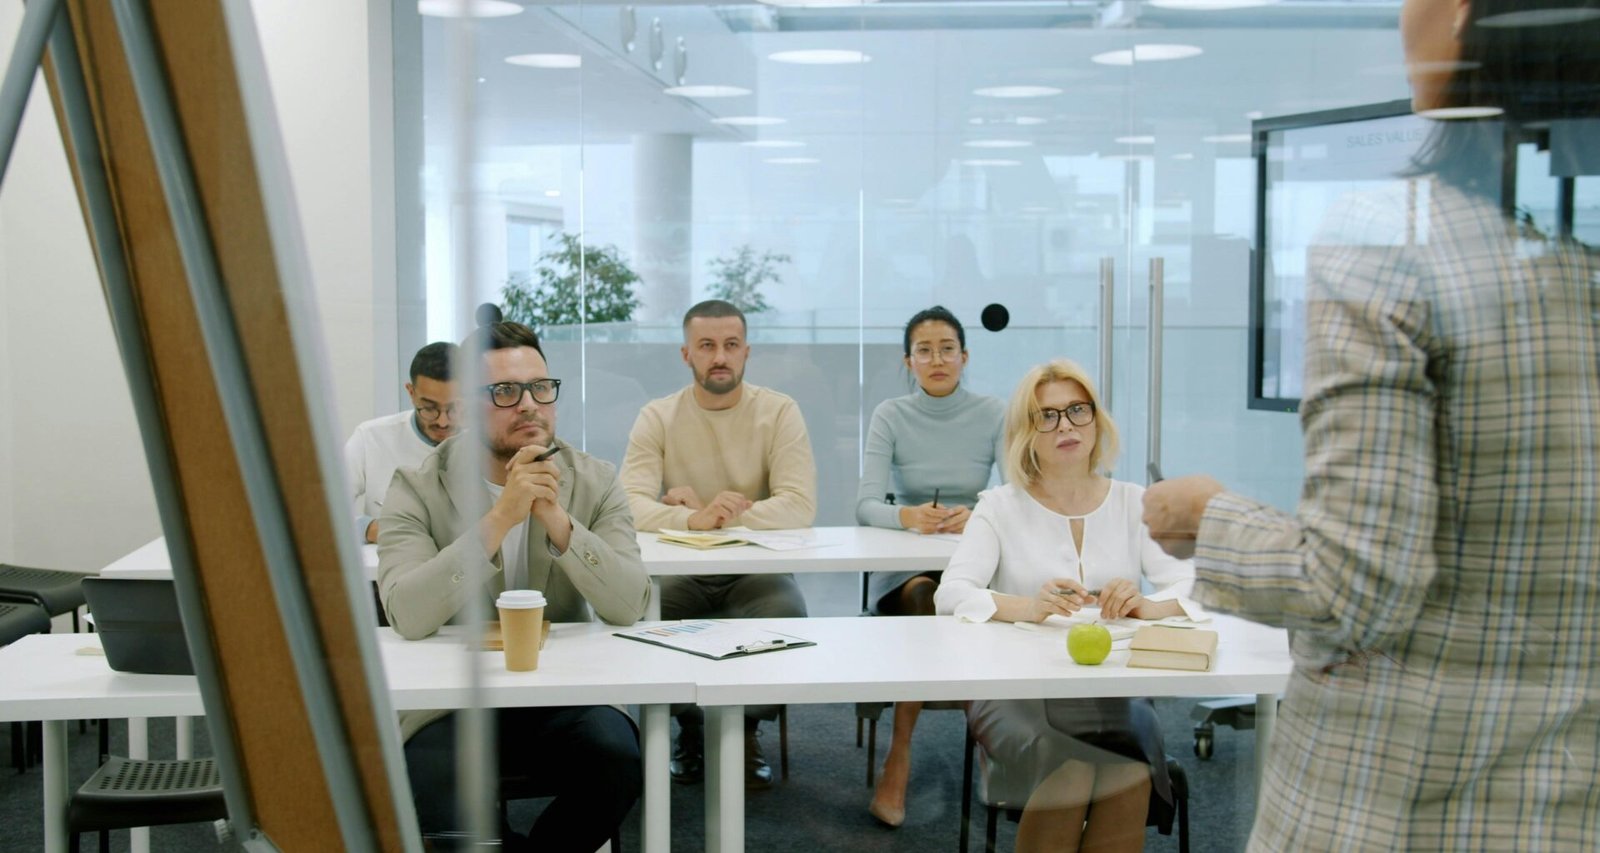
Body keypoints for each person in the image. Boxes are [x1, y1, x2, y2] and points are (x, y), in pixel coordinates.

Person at [1142, 2, 1600, 849]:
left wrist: (1209, 518)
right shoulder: (1576, 264)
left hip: (1396, 801)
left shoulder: (1391, 243)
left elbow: (1354, 587)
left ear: (1460, 17)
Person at [378, 322, 650, 852]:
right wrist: (500, 517)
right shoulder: (414, 486)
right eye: (504, 392)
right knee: (437, 791)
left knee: (617, 760)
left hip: (565, 693)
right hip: (451, 703)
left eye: (540, 388)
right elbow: (406, 614)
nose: (528, 405)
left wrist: (557, 520)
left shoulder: (594, 479)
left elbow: (630, 605)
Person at [935, 359, 1198, 853]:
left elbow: (1190, 582)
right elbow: (950, 593)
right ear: (1025, 433)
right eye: (1047, 416)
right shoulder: (1000, 506)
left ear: (1097, 421)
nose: (1066, 426)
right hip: (1014, 686)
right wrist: (1027, 606)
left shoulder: (1130, 501)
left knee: (1130, 768)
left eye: (1078, 411)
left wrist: (1146, 604)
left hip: (1112, 687)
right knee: (1071, 766)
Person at [620, 298, 817, 789]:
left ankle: (744, 729)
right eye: (706, 346)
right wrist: (692, 518)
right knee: (648, 626)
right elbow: (627, 504)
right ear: (686, 354)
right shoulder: (658, 416)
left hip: (757, 571)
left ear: (747, 352)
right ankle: (692, 727)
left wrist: (712, 517)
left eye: (731, 345)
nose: (720, 357)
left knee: (785, 620)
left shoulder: (779, 411)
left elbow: (800, 506)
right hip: (680, 572)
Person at [854, 305, 1004, 827]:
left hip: (976, 559)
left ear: (964, 357)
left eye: (947, 349)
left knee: (971, 601)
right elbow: (865, 504)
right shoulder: (891, 415)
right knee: (924, 599)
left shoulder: (994, 412)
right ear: (908, 361)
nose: (936, 359)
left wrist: (981, 510)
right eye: (924, 350)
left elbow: (1016, 493)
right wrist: (909, 515)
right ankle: (901, 755)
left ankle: (989, 745)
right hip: (910, 566)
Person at [345, 341, 461, 544]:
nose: (443, 421)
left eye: (454, 408)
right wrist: (368, 528)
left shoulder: (489, 440)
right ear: (411, 392)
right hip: (389, 569)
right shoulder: (371, 437)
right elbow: (323, 508)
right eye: (429, 407)